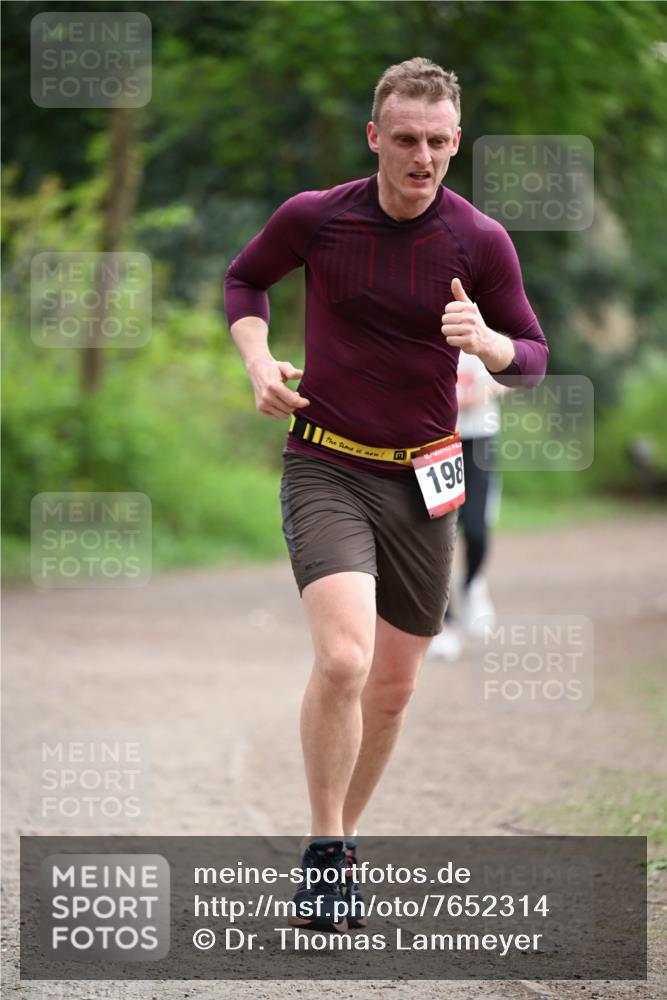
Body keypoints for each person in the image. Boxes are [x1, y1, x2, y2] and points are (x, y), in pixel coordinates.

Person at [224, 56, 548, 932]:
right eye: (405, 139)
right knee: (343, 659)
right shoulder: (316, 219)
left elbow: (533, 355)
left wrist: (486, 342)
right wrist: (257, 360)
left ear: (455, 143)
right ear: (375, 136)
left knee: (395, 688)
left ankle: (344, 840)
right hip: (326, 461)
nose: (422, 157)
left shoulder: (478, 240)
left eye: (439, 142)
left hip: (425, 478)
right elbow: (244, 279)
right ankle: (325, 850)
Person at [428, 350, 505, 661]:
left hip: (479, 440)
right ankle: (444, 621)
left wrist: (479, 393)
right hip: (436, 441)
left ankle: (473, 585)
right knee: (437, 531)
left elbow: (517, 368)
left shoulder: (488, 316)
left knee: (475, 527)